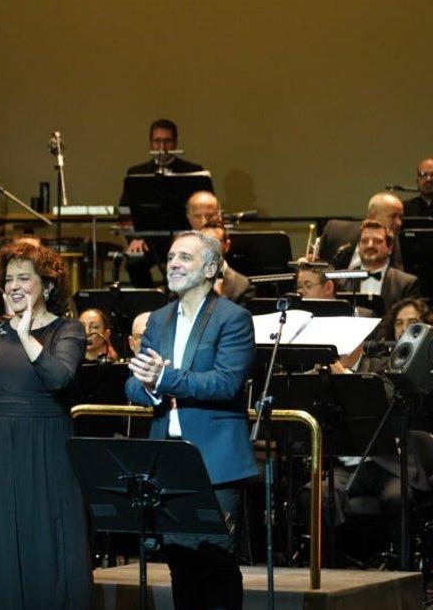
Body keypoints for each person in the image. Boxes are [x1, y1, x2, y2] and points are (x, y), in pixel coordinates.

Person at [126, 231, 257, 609]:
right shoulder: (159, 319)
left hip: (215, 460)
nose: (173, 264)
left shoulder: (233, 318)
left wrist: (164, 379)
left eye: (185, 257)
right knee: (180, 563)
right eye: (170, 257)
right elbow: (134, 385)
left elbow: (226, 382)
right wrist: (150, 387)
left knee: (215, 563)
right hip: (168, 459)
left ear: (210, 268)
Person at [0, 239, 91, 608]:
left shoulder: (68, 330)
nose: (14, 286)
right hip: (1, 442)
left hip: (47, 442)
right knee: (4, 534)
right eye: (8, 279)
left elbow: (59, 377)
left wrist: (26, 335)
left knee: (47, 531)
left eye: (24, 279)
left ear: (47, 286)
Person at [119, 119, 209, 286]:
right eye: (157, 141)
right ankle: (150, 305)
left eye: (167, 141)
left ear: (175, 142)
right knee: (134, 263)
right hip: (149, 241)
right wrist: (134, 239)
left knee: (190, 263)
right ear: (150, 143)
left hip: (185, 240)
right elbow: (125, 212)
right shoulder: (136, 173)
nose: (162, 147)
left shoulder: (194, 172)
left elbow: (206, 211)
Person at [345, 220, 422, 309]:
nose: (370, 245)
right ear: (358, 246)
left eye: (377, 241)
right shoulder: (342, 281)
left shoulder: (406, 284)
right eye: (364, 241)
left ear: (390, 248)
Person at [321, 192, 407, 270]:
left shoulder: (395, 243)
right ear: (372, 215)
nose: (399, 223)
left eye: (400, 217)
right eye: (393, 216)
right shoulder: (335, 231)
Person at [200, 223, 253, 306]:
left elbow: (241, 318)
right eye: (202, 242)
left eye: (213, 242)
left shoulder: (242, 285)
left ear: (226, 245)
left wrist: (219, 300)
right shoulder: (184, 277)